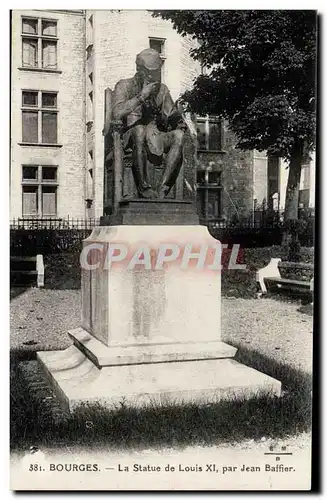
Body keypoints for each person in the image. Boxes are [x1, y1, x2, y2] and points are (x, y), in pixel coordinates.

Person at [112, 48, 186, 198]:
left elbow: (172, 115)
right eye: (148, 72)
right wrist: (141, 97)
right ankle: (143, 188)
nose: (152, 76)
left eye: (155, 72)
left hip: (154, 135)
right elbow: (117, 113)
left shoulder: (162, 90)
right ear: (139, 69)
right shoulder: (124, 85)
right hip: (130, 134)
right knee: (139, 130)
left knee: (179, 136)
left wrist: (179, 121)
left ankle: (163, 189)